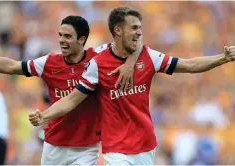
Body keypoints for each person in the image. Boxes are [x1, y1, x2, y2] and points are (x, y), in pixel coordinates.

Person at [27, 6, 235, 165]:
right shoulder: (97, 63)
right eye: (134, 28)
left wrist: (222, 59)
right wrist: (46, 115)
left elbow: (188, 65)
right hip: (115, 148)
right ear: (117, 30)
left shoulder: (148, 56)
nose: (138, 33)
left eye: (140, 29)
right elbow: (73, 98)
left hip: (145, 144)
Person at [0, 15, 140, 165]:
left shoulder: (99, 57)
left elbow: (133, 40)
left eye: (68, 36)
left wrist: (130, 64)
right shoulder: (49, 62)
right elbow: (12, 66)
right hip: (54, 145)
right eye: (60, 35)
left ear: (82, 39)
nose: (62, 40)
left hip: (86, 147)